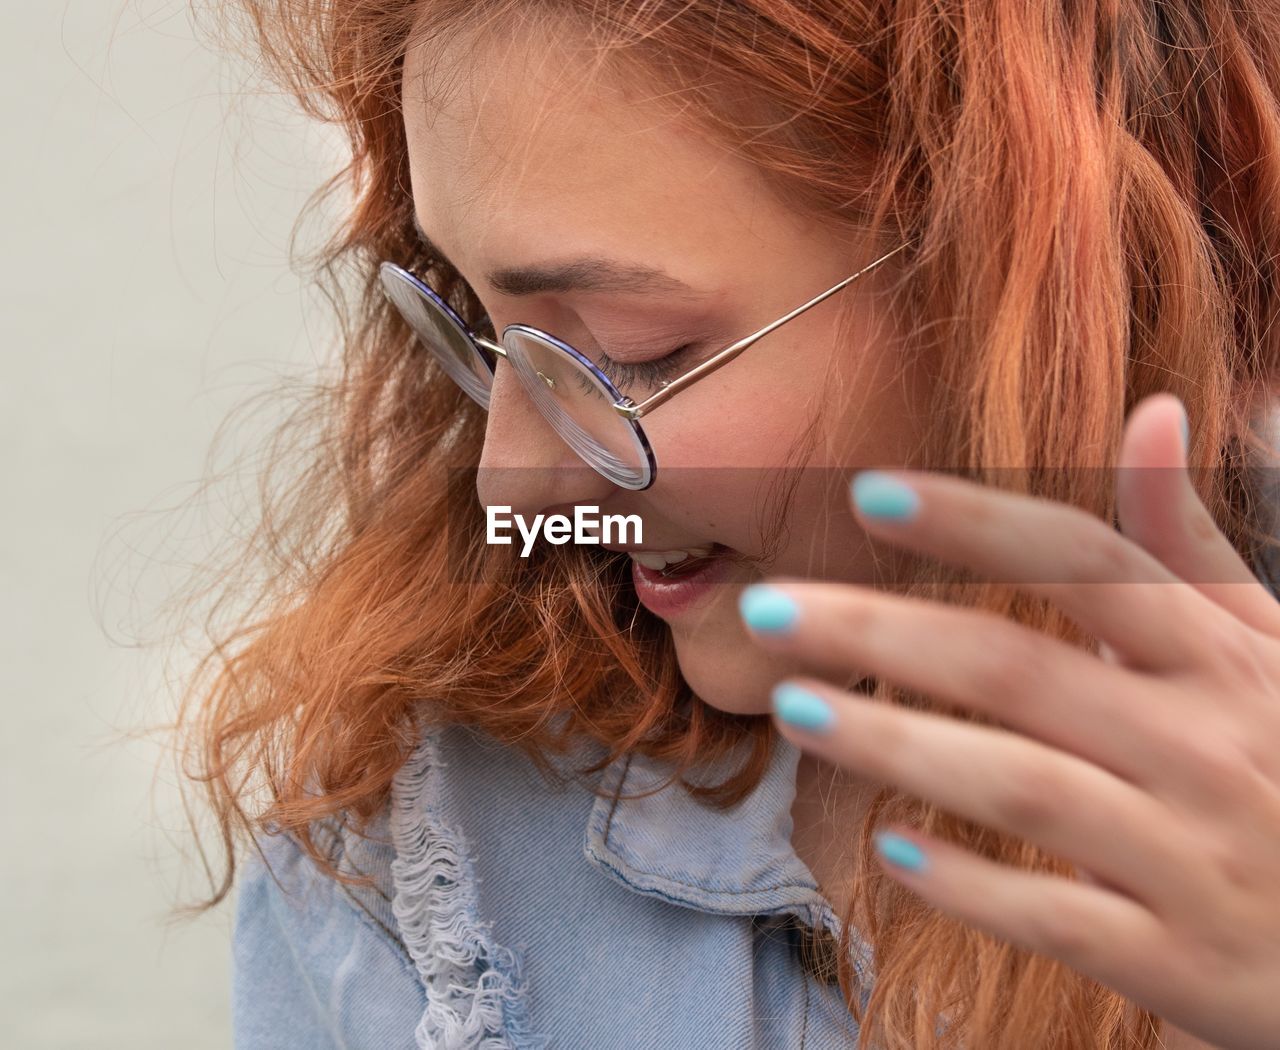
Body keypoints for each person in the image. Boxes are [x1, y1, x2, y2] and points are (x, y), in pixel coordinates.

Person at [174, 1, 1280, 1047]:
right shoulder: (417, 847)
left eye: (633, 349)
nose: (506, 485)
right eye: (472, 320)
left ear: (1018, 277)